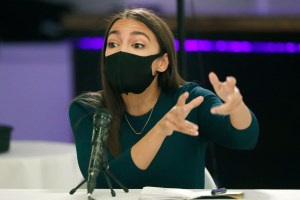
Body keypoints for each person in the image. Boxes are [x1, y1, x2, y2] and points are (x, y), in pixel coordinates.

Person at [69, 7, 259, 189]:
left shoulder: (189, 101)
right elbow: (102, 183)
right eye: (113, 44)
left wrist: (237, 107)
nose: (121, 52)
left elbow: (245, 138)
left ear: (162, 62)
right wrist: (160, 131)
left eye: (137, 45)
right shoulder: (89, 110)